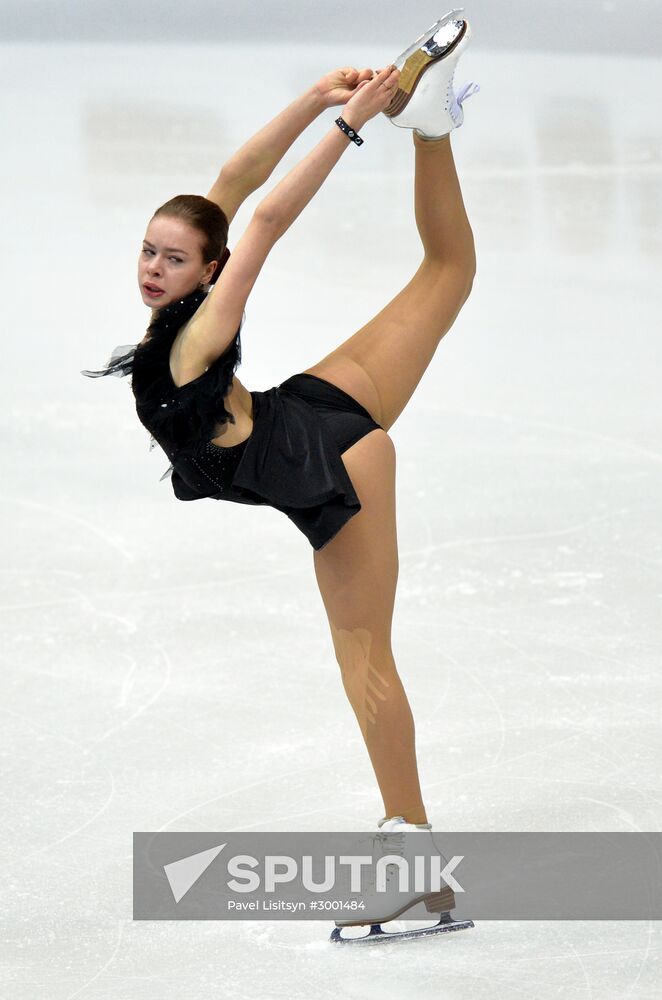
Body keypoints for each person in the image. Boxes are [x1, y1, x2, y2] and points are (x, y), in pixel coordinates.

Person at [83, 10, 479, 941]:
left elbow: (258, 213)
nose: (153, 267)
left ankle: (416, 871)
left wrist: (342, 121)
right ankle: (432, 132)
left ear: (208, 272)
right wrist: (322, 101)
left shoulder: (198, 334)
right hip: (311, 415)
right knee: (452, 268)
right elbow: (232, 189)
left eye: (173, 258)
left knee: (365, 661)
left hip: (331, 463)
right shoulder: (181, 314)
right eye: (149, 250)